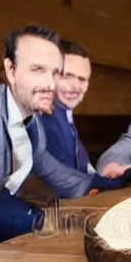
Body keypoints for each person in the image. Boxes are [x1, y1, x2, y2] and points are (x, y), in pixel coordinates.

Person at [0, 25, 131, 246]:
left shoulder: (34, 127)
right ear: (10, 70)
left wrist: (117, 182)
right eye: (37, 70)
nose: (50, 84)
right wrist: (41, 222)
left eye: (55, 72)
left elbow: (62, 177)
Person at [41, 39, 95, 173]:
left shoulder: (65, 115)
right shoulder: (40, 120)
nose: (75, 87)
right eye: (67, 76)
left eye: (82, 79)